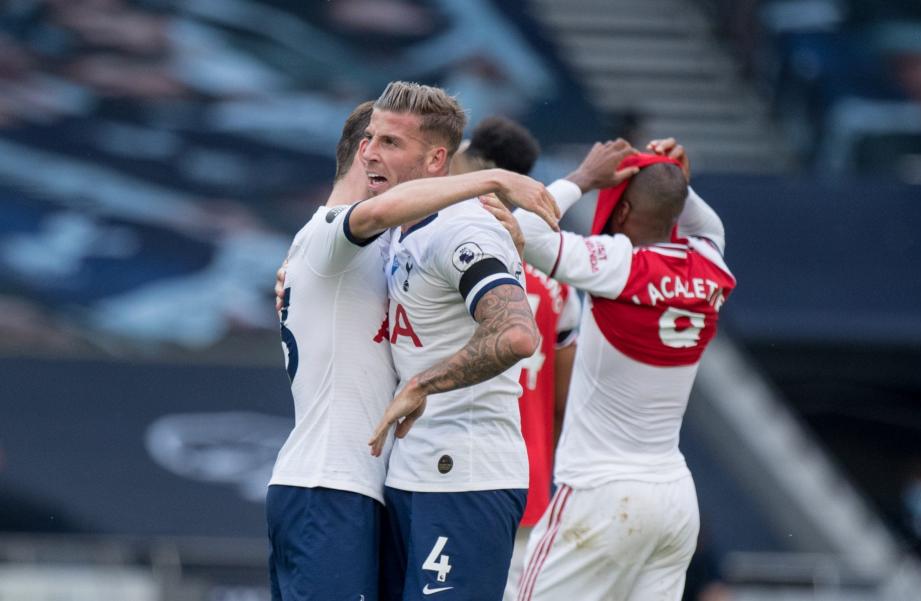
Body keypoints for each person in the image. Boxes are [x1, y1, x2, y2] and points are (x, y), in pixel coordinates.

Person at [267, 96, 559, 601]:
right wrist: (495, 180)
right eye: (371, 143)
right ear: (357, 156)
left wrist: (516, 229)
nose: (375, 154)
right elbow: (384, 211)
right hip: (328, 482)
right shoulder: (330, 232)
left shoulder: (392, 244)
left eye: (390, 142)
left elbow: (467, 248)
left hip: (389, 480)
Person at [511, 138, 737, 601]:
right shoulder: (710, 260)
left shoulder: (619, 263)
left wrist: (584, 177)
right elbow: (703, 222)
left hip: (599, 493)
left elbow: (524, 233)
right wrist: (672, 178)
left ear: (624, 206)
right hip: (673, 498)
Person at [447, 115, 582, 601]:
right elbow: (564, 400)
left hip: (455, 475)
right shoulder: (557, 284)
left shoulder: (447, 255)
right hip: (528, 483)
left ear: (480, 166)